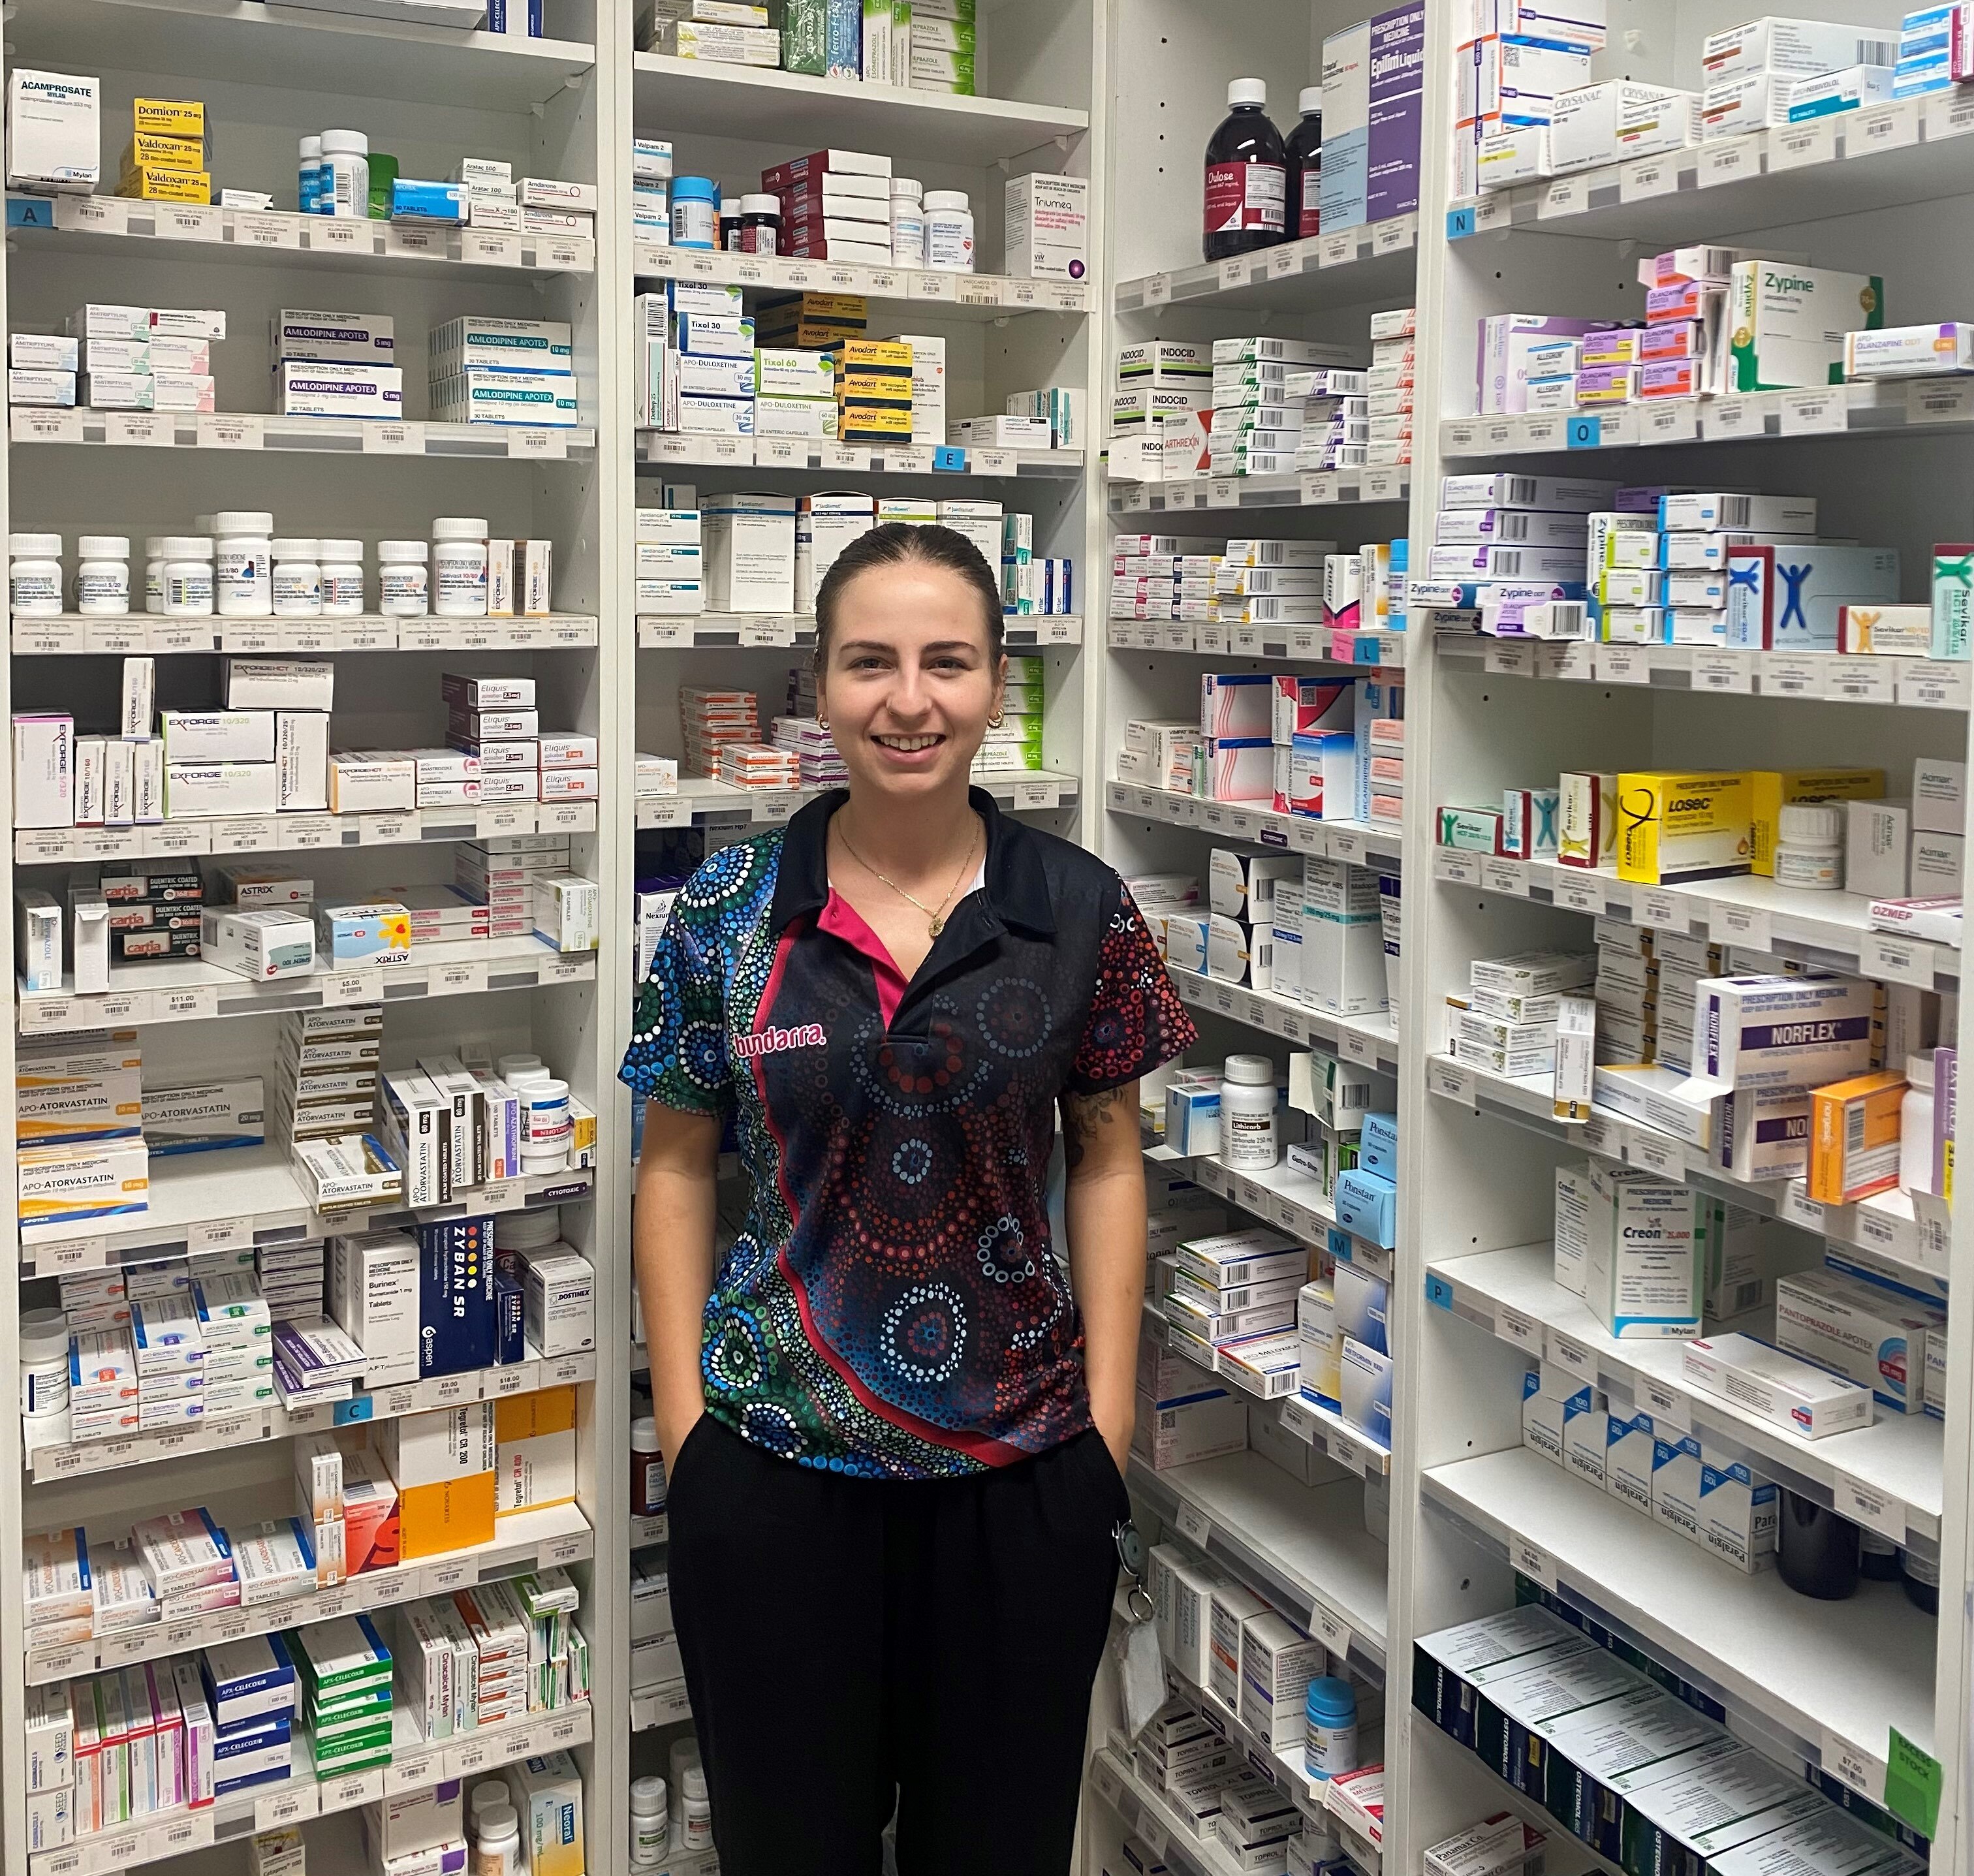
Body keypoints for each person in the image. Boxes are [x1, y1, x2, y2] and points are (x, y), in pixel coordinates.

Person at [623, 521, 1196, 1873]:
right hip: (771, 1473)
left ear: (999, 682)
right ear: (818, 686)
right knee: (790, 1853)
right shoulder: (729, 908)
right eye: (869, 662)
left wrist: (1103, 1431)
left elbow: (1110, 1156)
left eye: (947, 662)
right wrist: (689, 1431)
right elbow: (672, 1162)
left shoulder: (1078, 908)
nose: (909, 699)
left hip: (1021, 1479)